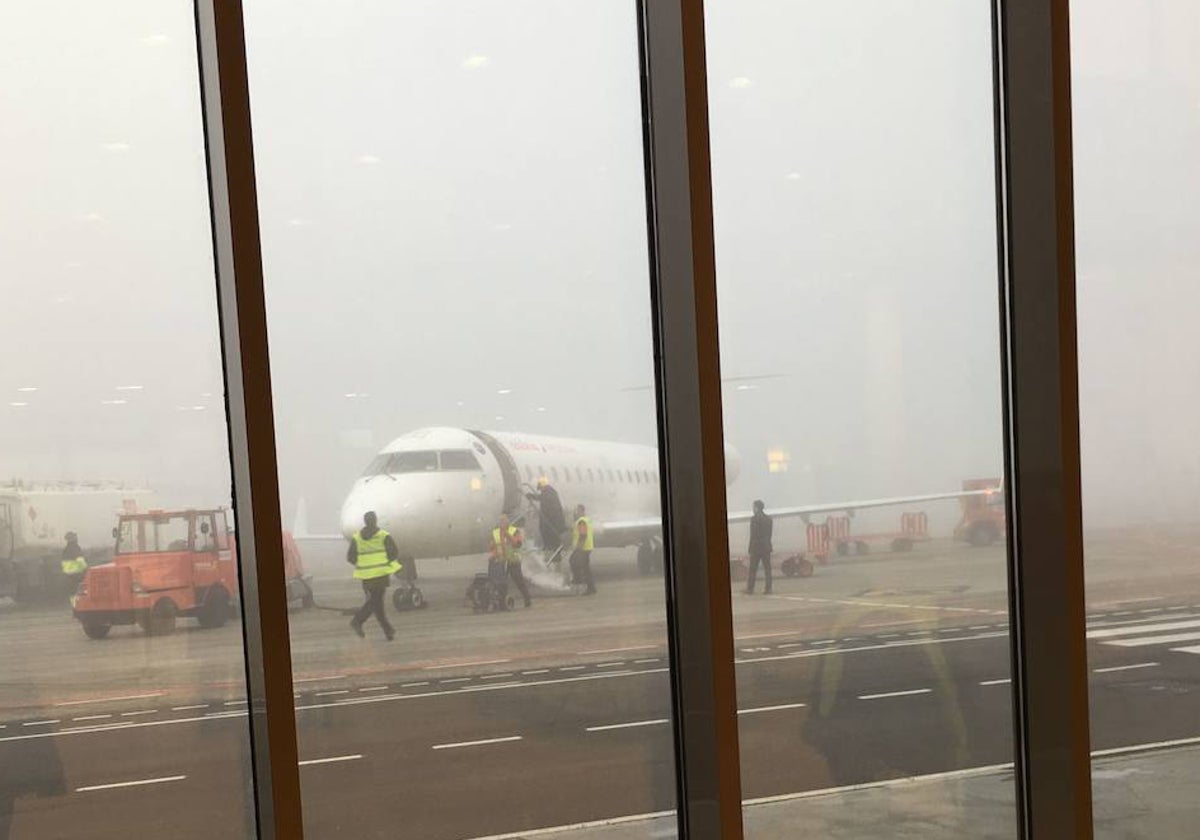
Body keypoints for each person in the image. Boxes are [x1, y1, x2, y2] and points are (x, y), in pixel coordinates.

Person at [346, 511, 402, 639]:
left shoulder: (357, 538)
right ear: (375, 521)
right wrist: (385, 562)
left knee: (376, 603)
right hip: (380, 575)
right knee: (376, 602)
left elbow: (351, 557)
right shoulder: (383, 536)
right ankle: (357, 621)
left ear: (365, 521)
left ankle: (388, 631)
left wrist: (363, 563)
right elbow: (394, 552)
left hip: (366, 576)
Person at [490, 513, 532, 608]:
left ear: (508, 521)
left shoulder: (514, 531)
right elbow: (493, 547)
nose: (502, 523)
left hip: (513, 560)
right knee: (500, 582)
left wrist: (507, 534)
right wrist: (493, 557)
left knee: (518, 580)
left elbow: (518, 544)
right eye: (501, 521)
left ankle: (527, 598)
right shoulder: (495, 532)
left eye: (504, 520)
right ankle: (501, 602)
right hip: (501, 561)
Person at [525, 477, 567, 558]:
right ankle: (552, 555)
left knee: (552, 539)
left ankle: (555, 559)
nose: (540, 490)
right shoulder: (549, 492)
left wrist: (532, 496)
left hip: (552, 521)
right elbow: (542, 497)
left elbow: (542, 497)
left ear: (543, 486)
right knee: (549, 537)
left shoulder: (549, 493)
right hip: (551, 521)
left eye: (540, 488)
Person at [745, 500, 773, 595]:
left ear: (756, 508)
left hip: (756, 548)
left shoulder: (754, 519)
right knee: (767, 569)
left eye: (753, 507)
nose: (753, 509)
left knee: (753, 569)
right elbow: (769, 534)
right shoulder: (769, 519)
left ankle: (750, 589)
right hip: (766, 547)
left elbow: (753, 535)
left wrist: (750, 548)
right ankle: (768, 588)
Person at [569, 504, 596, 595]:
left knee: (575, 563)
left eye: (577, 511)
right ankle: (591, 588)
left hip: (582, 548)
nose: (575, 512)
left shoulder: (581, 521)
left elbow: (583, 535)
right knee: (586, 568)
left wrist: (578, 549)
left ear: (581, 511)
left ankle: (581, 586)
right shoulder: (586, 519)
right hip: (587, 547)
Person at [60, 532, 88, 596]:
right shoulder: (75, 548)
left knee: (72, 591)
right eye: (75, 537)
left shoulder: (66, 549)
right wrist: (85, 569)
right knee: (79, 590)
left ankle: (74, 603)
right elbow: (80, 559)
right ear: (73, 538)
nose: (77, 538)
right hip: (77, 573)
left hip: (69, 574)